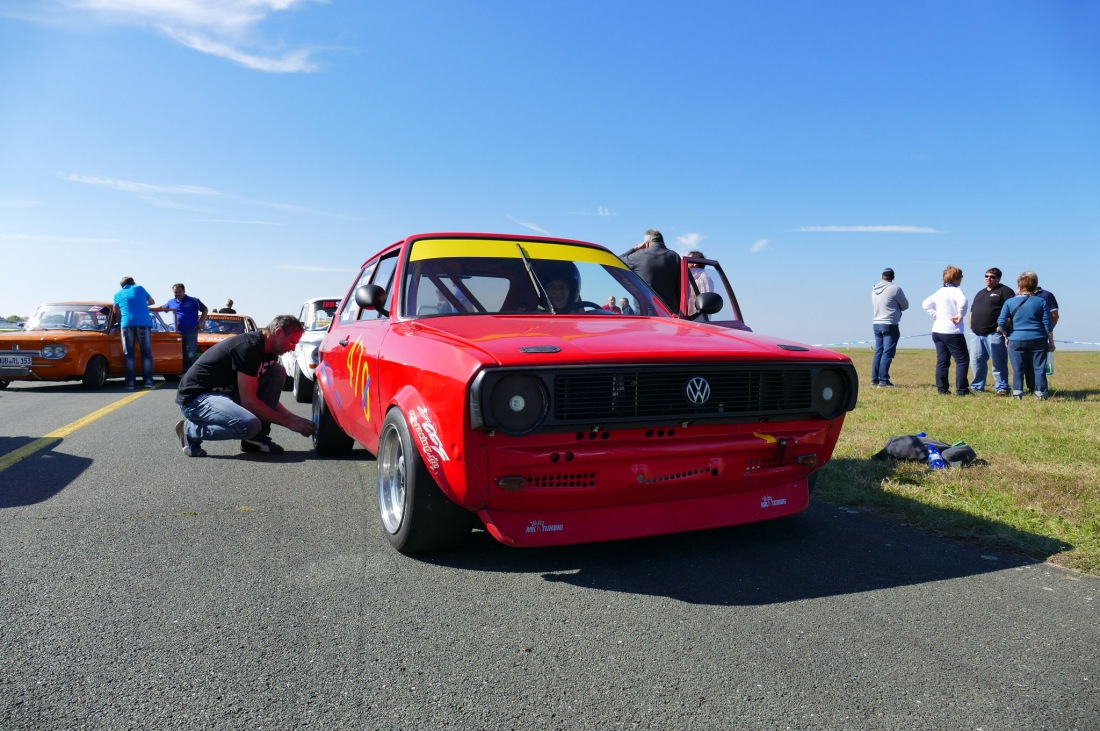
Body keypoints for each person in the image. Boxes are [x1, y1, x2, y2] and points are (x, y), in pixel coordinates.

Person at [174, 315, 315, 457]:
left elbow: (262, 398)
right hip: (196, 399)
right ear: (278, 332)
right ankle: (189, 430)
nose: (293, 348)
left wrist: (295, 418)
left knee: (277, 371)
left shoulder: (270, 354)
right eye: (292, 341)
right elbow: (249, 401)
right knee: (249, 425)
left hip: (225, 394)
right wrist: (289, 422)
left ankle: (255, 439)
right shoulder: (248, 348)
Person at [997, 271, 1055, 401]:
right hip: (1038, 338)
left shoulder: (1010, 302)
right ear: (1035, 287)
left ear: (1019, 287)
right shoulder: (1040, 302)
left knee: (1018, 368)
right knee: (1039, 367)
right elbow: (1047, 323)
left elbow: (1001, 321)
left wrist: (1006, 335)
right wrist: (1051, 341)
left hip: (1016, 339)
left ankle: (1017, 392)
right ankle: (1041, 393)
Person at [922, 265, 970, 396]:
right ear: (957, 278)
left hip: (937, 330)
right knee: (962, 360)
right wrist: (960, 314)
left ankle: (942, 389)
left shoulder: (939, 291)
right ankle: (962, 390)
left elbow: (925, 304)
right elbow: (963, 302)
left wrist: (935, 314)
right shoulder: (956, 291)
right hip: (952, 330)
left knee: (942, 361)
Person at [968, 267, 1015, 396]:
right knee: (976, 362)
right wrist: (971, 323)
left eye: (992, 277)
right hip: (977, 334)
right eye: (986, 276)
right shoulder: (980, 293)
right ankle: (977, 387)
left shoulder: (1005, 291)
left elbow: (1012, 311)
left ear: (998, 279)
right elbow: (973, 310)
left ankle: (1002, 387)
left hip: (994, 334)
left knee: (998, 362)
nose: (988, 278)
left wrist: (1004, 326)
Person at [620, 229, 681, 312]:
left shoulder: (639, 256)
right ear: (662, 242)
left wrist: (635, 248)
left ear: (647, 243)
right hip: (670, 312)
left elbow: (617, 261)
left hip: (645, 310)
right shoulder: (675, 257)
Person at [112, 276, 157, 389]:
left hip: (127, 324)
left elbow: (115, 311)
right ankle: (148, 381)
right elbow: (152, 301)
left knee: (129, 354)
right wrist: (141, 304)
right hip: (143, 323)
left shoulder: (118, 294)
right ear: (133, 282)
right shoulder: (139, 288)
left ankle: (130, 383)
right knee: (146, 353)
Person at [870, 267, 909, 388]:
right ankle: (884, 380)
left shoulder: (874, 288)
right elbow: (905, 305)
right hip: (890, 323)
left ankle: (874, 379)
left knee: (878, 352)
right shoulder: (895, 288)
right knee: (887, 353)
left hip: (876, 323)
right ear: (893, 277)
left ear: (882, 276)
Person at [1024, 275, 1060, 392]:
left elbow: (1055, 316)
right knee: (1027, 364)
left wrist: (1048, 331)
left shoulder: (1046, 295)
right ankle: (1031, 387)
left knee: (1039, 363)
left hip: (1040, 335)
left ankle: (1040, 389)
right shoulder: (1020, 296)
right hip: (1023, 335)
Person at [162, 283, 208, 373]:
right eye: (176, 292)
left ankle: (196, 373)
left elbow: (205, 310)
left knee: (191, 354)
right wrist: (146, 308)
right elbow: (163, 308)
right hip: (178, 332)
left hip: (191, 330)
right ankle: (185, 373)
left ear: (184, 291)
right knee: (182, 355)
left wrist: (201, 322)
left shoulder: (193, 300)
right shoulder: (171, 302)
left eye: (180, 292)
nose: (178, 294)